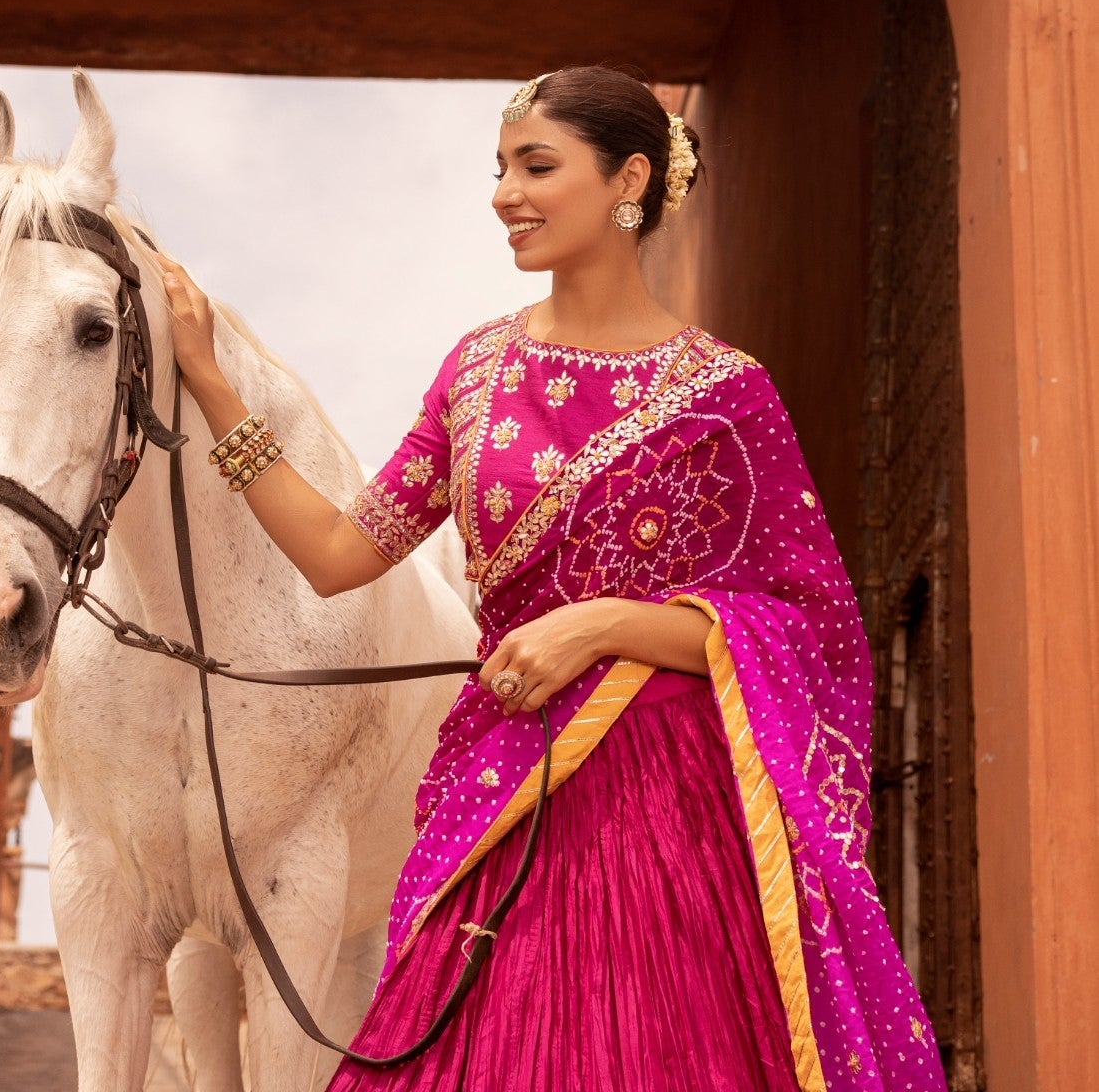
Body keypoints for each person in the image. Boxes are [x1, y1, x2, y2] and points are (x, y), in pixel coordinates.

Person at [161, 65, 943, 1091]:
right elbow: (339, 555)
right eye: (499, 168)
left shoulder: (726, 395)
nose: (504, 194)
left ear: (629, 179)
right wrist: (215, 388)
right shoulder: (476, 372)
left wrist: (604, 623)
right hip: (510, 785)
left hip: (674, 808)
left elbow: (806, 625)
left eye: (536, 166)